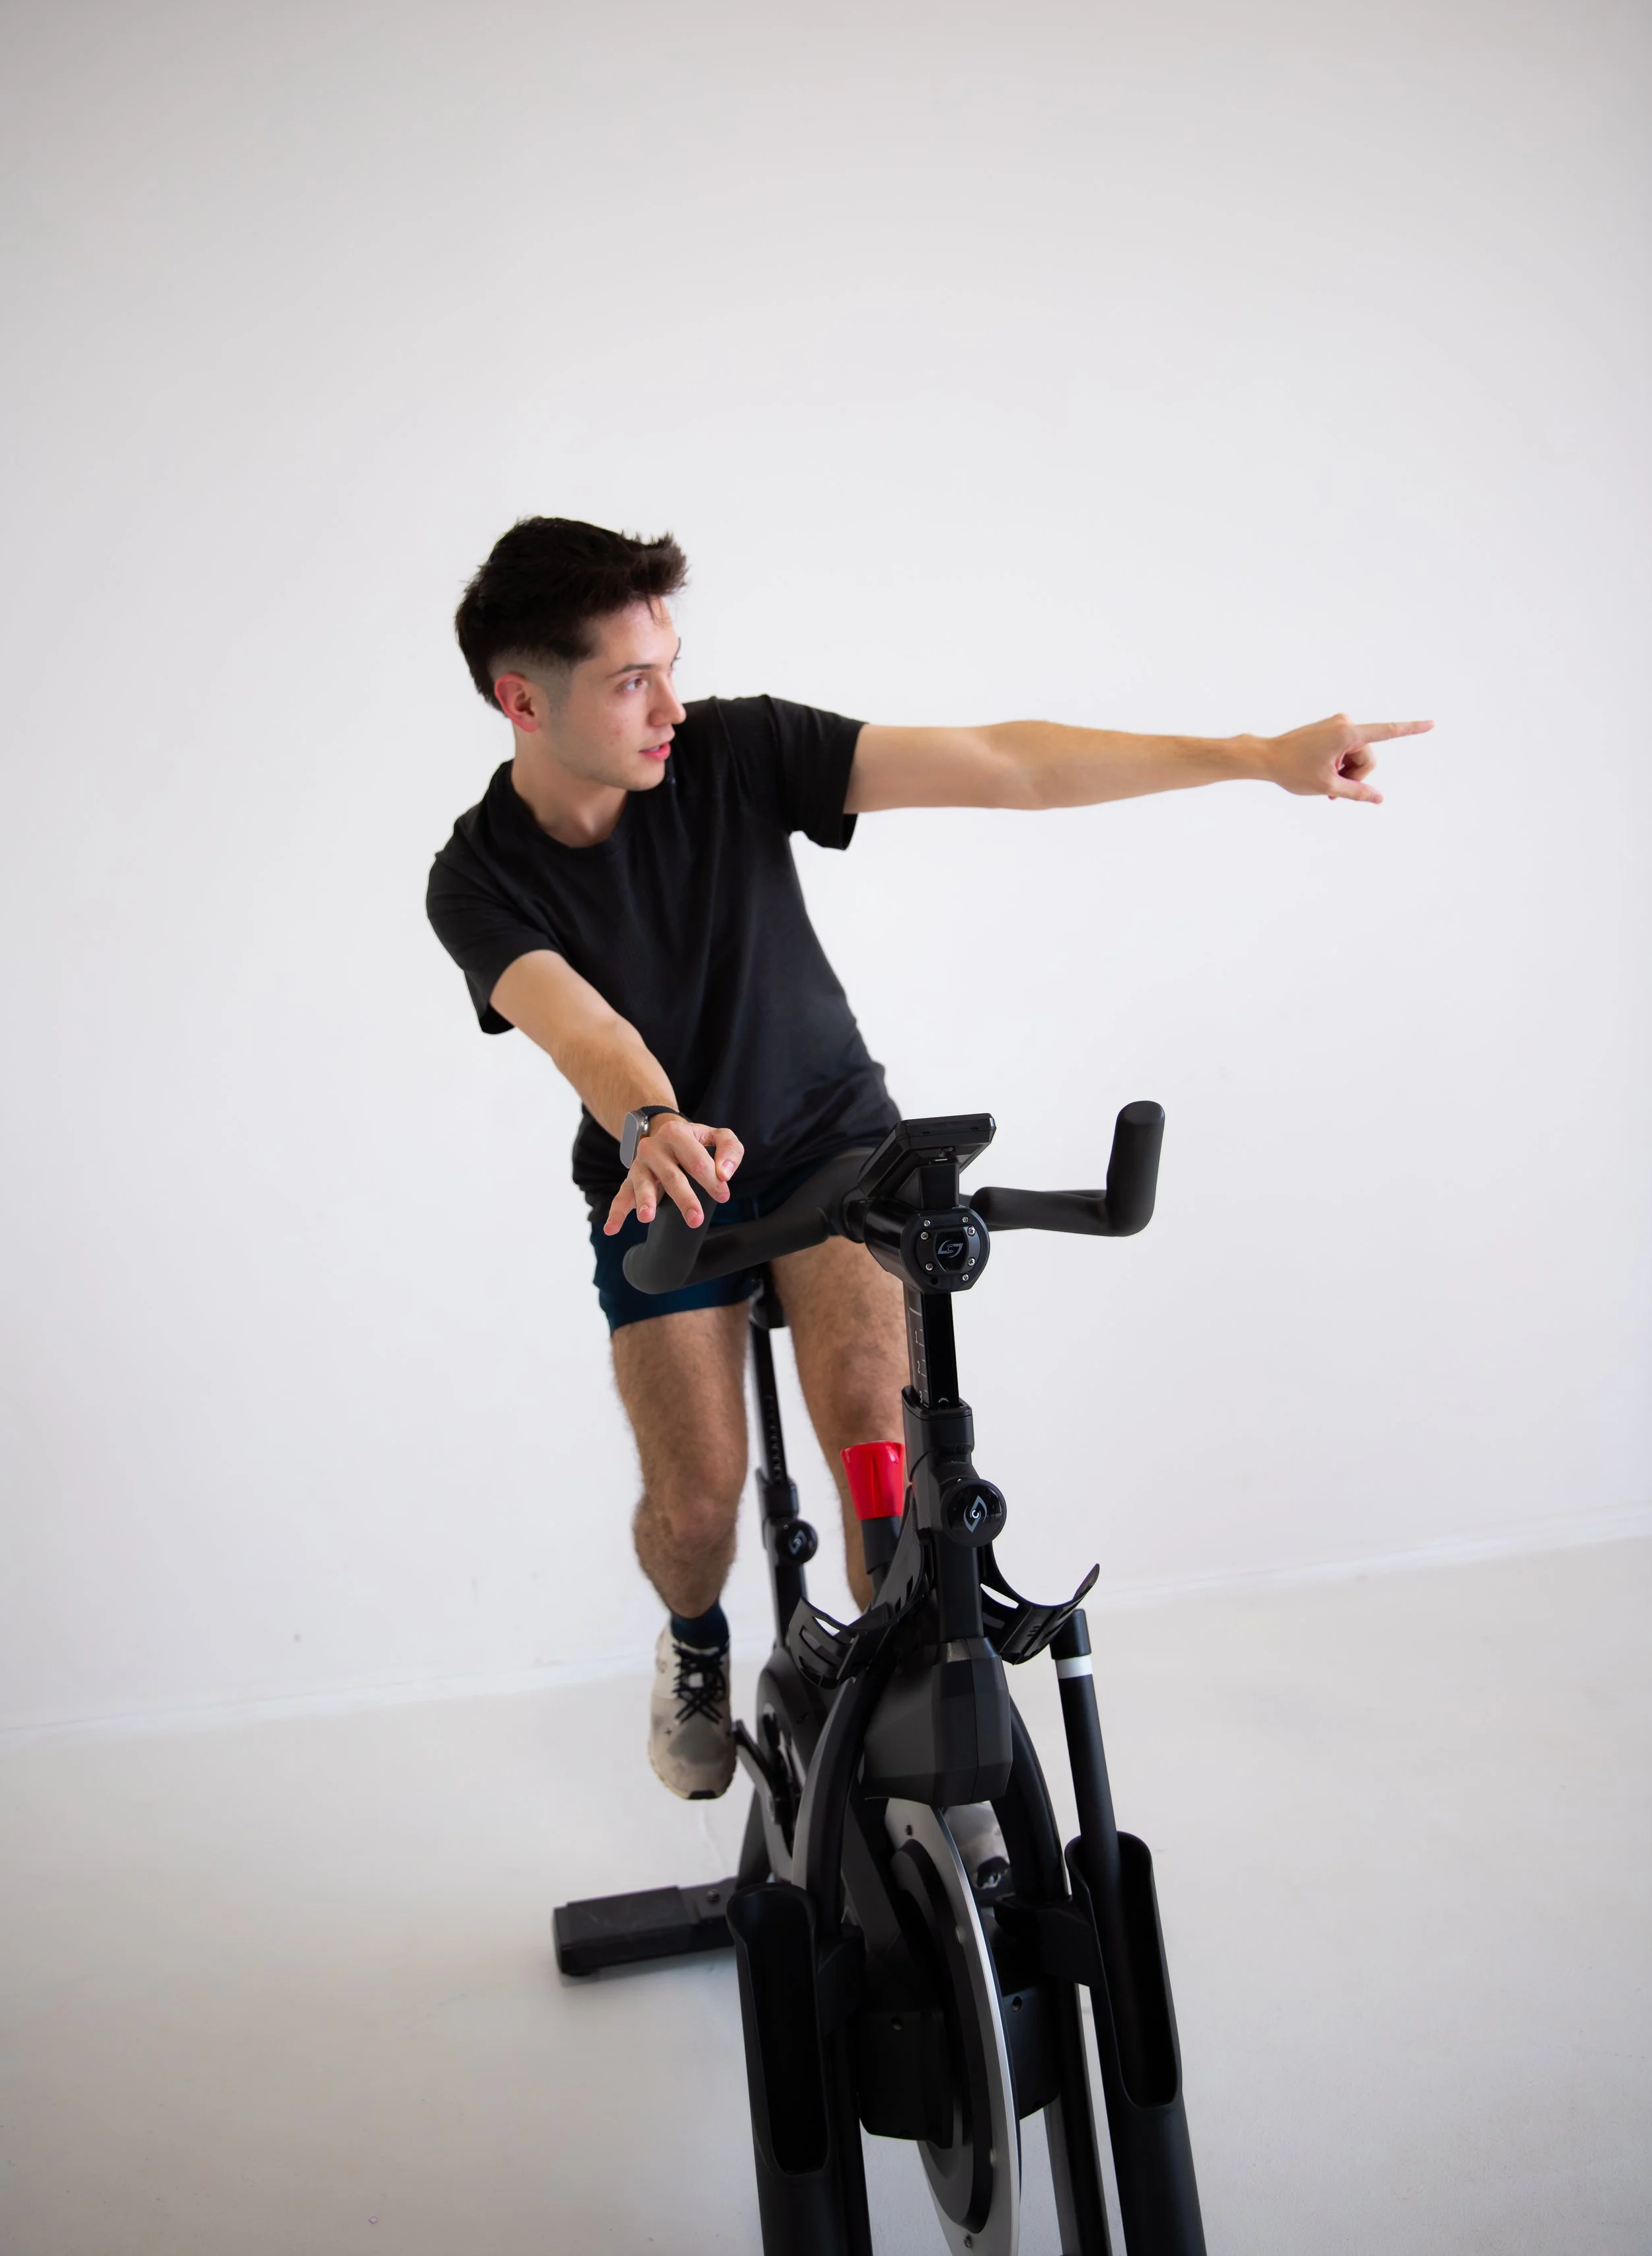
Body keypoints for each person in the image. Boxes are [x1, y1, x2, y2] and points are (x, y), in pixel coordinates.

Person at [426, 516, 1431, 1803]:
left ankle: (906, 1731)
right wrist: (650, 1118)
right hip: (658, 1177)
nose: (669, 703)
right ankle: (693, 1647)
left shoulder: (734, 750)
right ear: (522, 699)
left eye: (671, 664)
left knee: (874, 1452)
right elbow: (582, 1023)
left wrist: (1249, 758)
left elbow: (1000, 761)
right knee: (694, 1511)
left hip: (829, 1141)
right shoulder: (475, 878)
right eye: (631, 681)